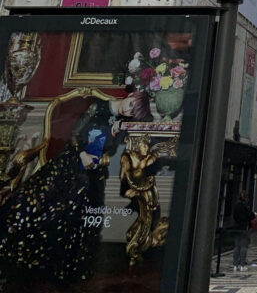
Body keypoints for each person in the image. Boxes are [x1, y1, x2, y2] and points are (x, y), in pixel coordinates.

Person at [0, 88, 151, 286]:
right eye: (131, 105)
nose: (127, 111)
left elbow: (106, 151)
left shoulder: (121, 123)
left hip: (90, 172)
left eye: (132, 113)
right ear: (130, 96)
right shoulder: (97, 106)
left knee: (81, 201)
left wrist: (115, 133)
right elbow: (74, 135)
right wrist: (82, 154)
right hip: (71, 160)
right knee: (37, 201)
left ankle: (53, 266)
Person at [232, 190, 256, 272]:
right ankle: (242, 265)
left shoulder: (236, 205)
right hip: (244, 227)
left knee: (236, 246)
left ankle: (235, 265)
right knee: (243, 246)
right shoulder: (246, 206)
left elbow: (234, 216)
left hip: (236, 227)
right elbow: (251, 216)